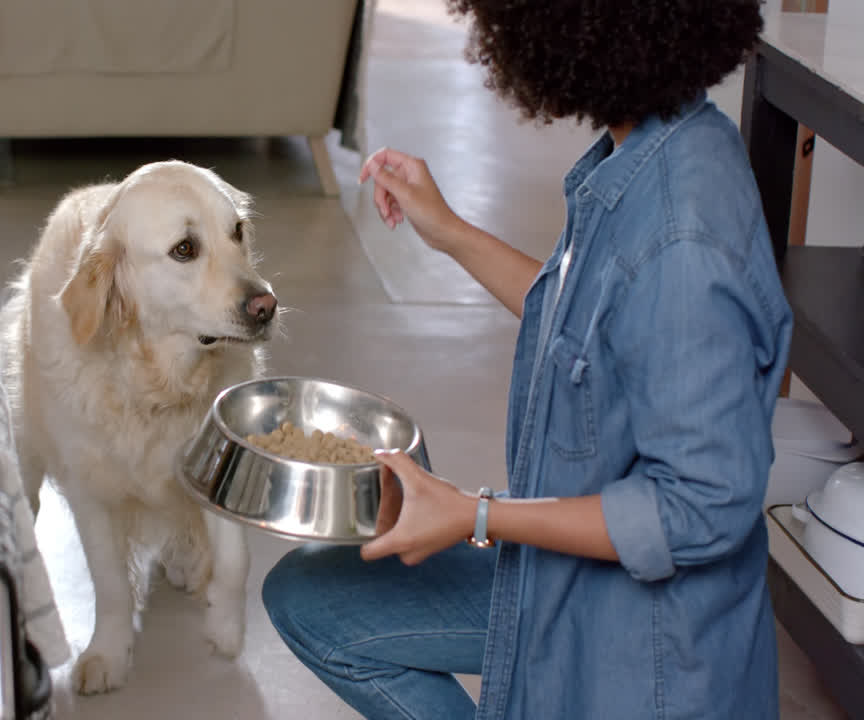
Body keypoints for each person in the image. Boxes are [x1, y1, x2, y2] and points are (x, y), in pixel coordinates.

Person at [261, 2, 793, 718]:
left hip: (643, 655)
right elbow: (590, 325)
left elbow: (699, 507)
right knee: (310, 596)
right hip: (586, 584)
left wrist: (476, 515)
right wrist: (448, 232)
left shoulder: (683, 242)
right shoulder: (659, 144)